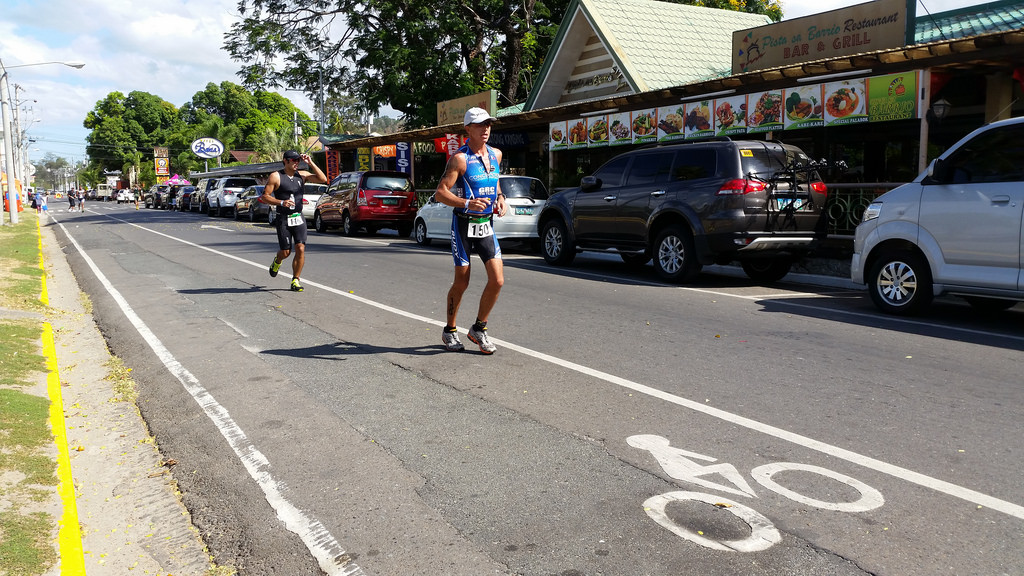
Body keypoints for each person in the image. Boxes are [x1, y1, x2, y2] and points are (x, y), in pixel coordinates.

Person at [433, 107, 508, 354]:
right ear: (468, 129)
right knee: (462, 281)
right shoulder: (460, 159)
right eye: (480, 125)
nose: (486, 129)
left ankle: (479, 328)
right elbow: (440, 193)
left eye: (488, 124)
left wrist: (500, 198)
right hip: (463, 224)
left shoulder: (496, 154)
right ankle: (450, 330)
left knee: (497, 280)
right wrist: (467, 203)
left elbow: (494, 184)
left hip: (485, 224)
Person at [261, 150, 327, 292]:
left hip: (298, 217)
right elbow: (265, 197)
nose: (297, 163)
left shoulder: (301, 175)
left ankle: (295, 280)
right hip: (283, 218)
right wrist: (280, 202)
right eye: (293, 160)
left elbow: (323, 179)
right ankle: (277, 261)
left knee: (300, 248)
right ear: (285, 160)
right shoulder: (276, 176)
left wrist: (310, 163)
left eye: (298, 160)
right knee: (286, 252)